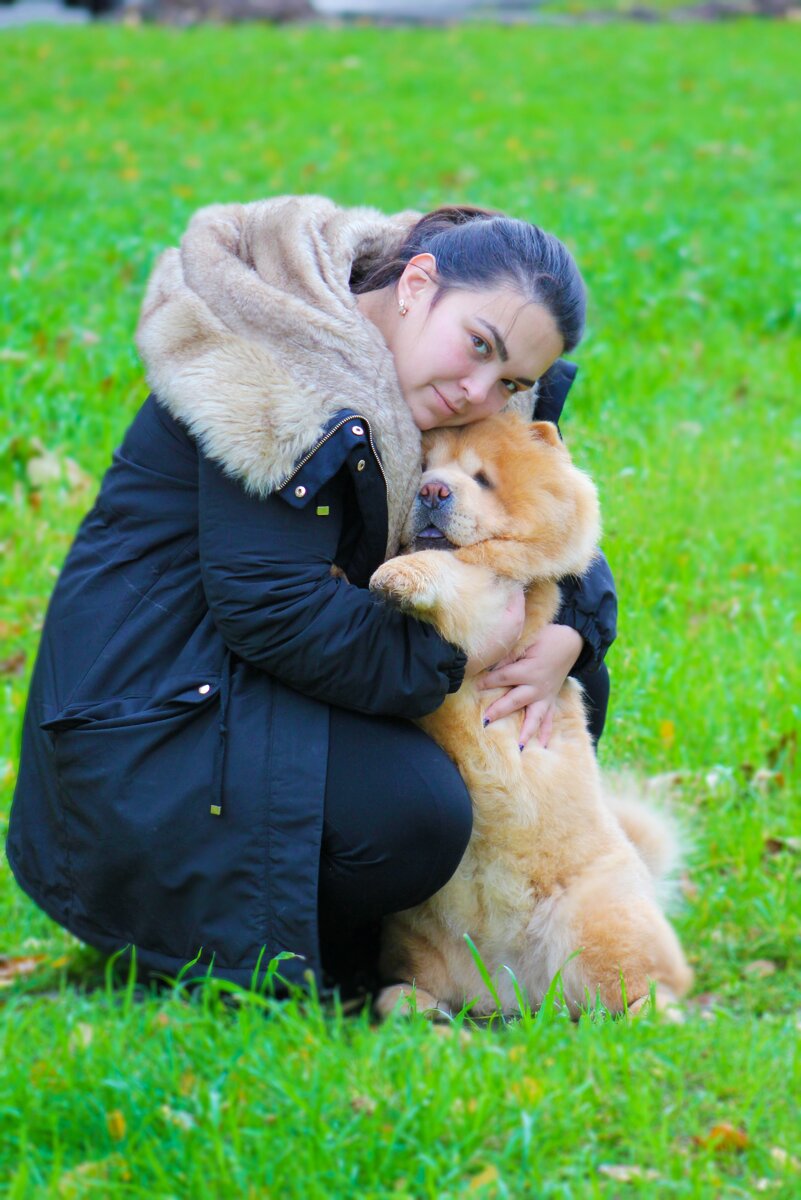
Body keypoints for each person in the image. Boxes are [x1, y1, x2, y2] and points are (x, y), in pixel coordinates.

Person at [6, 197, 616, 994]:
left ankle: (421, 948)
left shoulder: (426, 374)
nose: (477, 391)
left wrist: (570, 627)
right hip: (151, 718)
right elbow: (274, 611)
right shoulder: (272, 365)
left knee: (546, 695)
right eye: (477, 347)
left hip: (245, 679)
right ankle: (261, 956)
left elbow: (540, 513)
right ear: (416, 283)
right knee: (413, 817)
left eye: (510, 381)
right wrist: (467, 647)